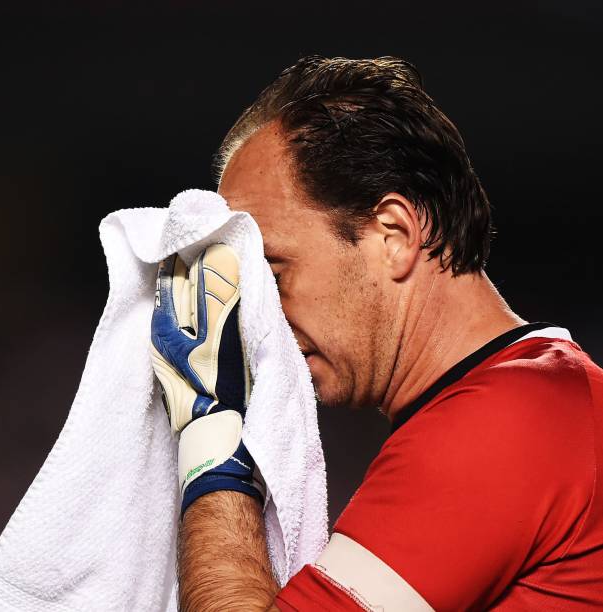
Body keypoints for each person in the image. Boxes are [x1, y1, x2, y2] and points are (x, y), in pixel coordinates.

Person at [149, 56, 603, 611]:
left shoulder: (510, 417)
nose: (253, 317)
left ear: (393, 235)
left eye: (273, 273)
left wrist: (208, 439)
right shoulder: (526, 398)